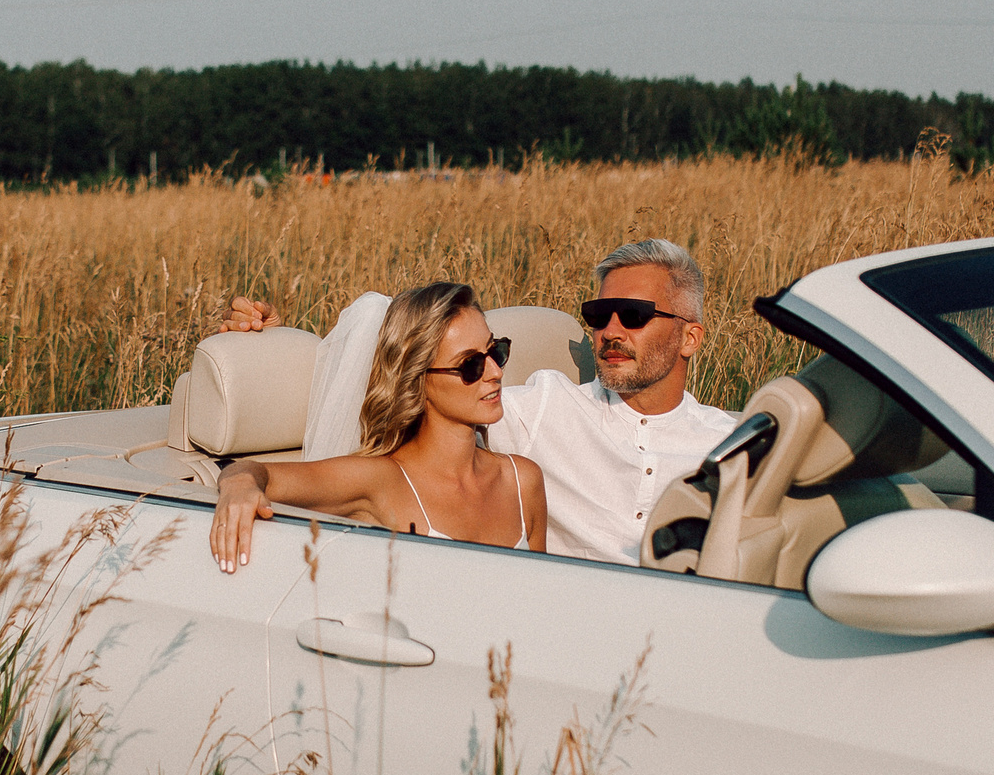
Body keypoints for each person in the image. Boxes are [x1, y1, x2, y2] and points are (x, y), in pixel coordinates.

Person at [221, 238, 735, 563]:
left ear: (691, 338)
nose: (610, 331)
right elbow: (425, 379)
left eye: (634, 315)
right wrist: (264, 342)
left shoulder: (731, 444)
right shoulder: (543, 408)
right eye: (600, 314)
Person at [209, 282, 547, 572]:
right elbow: (252, 472)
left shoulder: (523, 480)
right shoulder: (381, 480)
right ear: (418, 379)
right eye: (470, 364)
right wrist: (239, 485)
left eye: (495, 351)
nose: (495, 372)